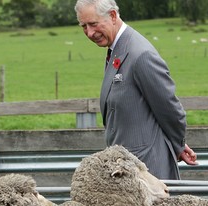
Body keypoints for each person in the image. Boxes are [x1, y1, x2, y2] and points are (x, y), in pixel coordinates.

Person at [74, 0, 198, 180]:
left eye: (93, 24)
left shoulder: (140, 54)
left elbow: (170, 109)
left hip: (148, 171)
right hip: (129, 170)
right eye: (84, 26)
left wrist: (177, 144)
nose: (90, 33)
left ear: (113, 16)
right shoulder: (117, 50)